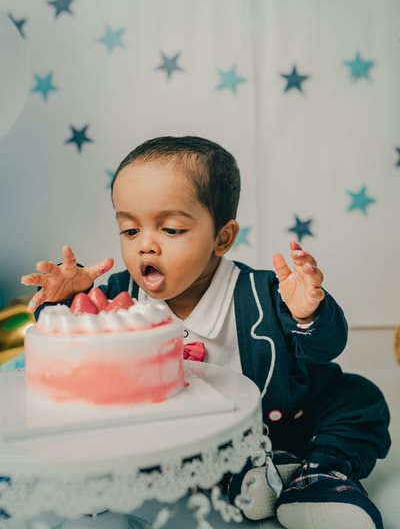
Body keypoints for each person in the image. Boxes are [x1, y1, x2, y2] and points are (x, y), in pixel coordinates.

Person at [21, 135, 391, 529]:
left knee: (360, 400)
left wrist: (307, 313)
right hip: (182, 441)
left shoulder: (263, 294)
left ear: (222, 237)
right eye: (130, 231)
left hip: (285, 423)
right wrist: (63, 303)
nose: (146, 246)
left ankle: (319, 476)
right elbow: (77, 340)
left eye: (172, 230)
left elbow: (324, 349)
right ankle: (249, 477)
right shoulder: (120, 300)